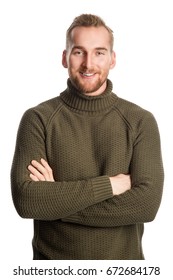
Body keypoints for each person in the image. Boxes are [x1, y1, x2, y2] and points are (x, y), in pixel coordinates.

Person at [11, 14, 164, 260]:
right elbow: (27, 200)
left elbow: (146, 205)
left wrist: (56, 203)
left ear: (113, 59)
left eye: (99, 53)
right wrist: (111, 185)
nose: (88, 64)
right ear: (64, 57)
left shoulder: (140, 121)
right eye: (78, 52)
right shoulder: (38, 119)